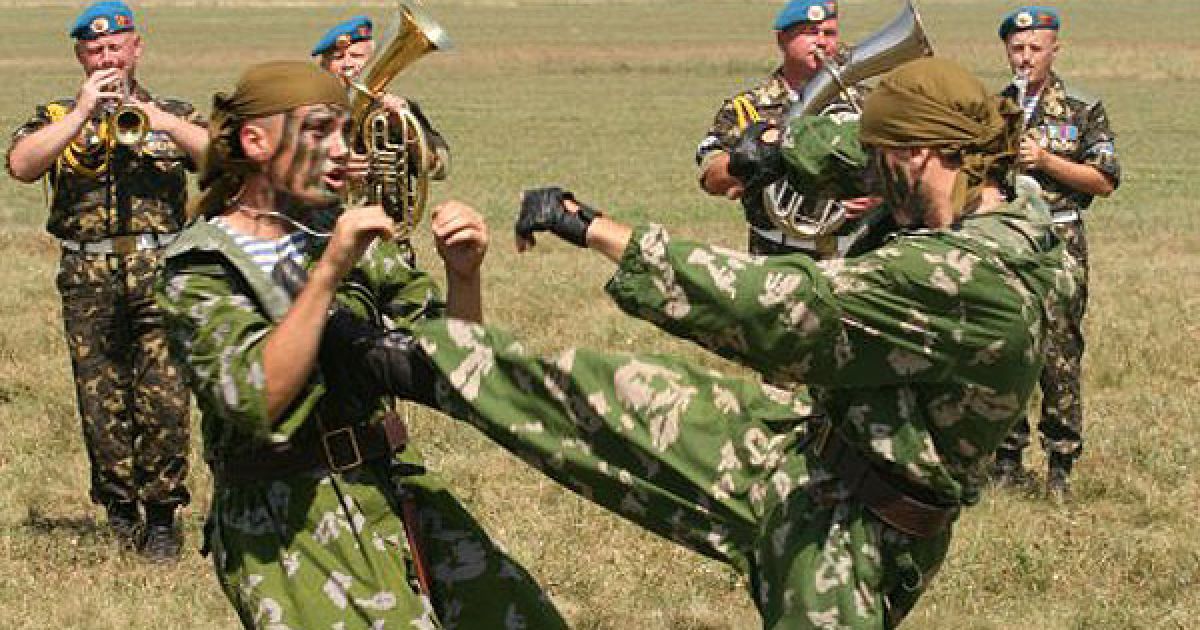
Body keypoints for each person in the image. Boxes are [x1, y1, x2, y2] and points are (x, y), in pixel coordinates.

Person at [319, 58, 1081, 628]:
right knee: (615, 393)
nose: (872, 174)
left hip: (863, 533)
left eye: (887, 163)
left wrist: (593, 228)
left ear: (919, 155)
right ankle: (416, 362)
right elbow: (860, 144)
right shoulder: (991, 180)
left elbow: (776, 308)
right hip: (802, 458)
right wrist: (785, 152)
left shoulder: (970, 277)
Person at [155, 61, 565, 629]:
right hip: (286, 516)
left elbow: (453, 366)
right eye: (317, 131)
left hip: (392, 486)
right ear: (255, 141)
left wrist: (464, 275)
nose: (339, 150)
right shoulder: (200, 264)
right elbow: (255, 399)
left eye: (343, 133)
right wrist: (327, 273)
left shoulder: (340, 230)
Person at [5, 0, 206, 560]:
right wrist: (81, 115)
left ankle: (164, 515)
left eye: (116, 46)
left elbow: (220, 156)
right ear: (80, 56)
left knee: (165, 397)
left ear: (137, 48)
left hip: (161, 270)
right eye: (95, 49)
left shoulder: (173, 110)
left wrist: (161, 121)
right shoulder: (55, 115)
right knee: (101, 400)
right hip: (87, 273)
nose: (107, 56)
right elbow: (21, 166)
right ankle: (120, 510)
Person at [989, 6, 1120, 500]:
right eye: (1016, 49)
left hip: (1059, 241)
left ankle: (1061, 464)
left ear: (1054, 49)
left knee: (1059, 351)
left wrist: (1045, 160)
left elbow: (1105, 180)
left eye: (1034, 49)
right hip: (1005, 238)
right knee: (1004, 345)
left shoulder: (1083, 108)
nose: (1024, 58)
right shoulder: (995, 106)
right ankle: (1006, 458)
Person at [696, 0, 877, 258]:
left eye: (829, 33)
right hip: (777, 257)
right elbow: (711, 179)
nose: (822, 42)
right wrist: (755, 157)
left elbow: (906, 164)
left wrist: (881, 195)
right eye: (809, 32)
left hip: (856, 254)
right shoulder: (747, 108)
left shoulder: (868, 104)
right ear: (782, 40)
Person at [313, 15, 450, 181]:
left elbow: (440, 169)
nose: (348, 64)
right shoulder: (308, 112)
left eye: (357, 56)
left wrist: (406, 129)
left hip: (387, 207)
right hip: (328, 206)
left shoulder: (398, 110)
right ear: (325, 67)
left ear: (373, 61)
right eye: (338, 58)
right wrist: (330, 165)